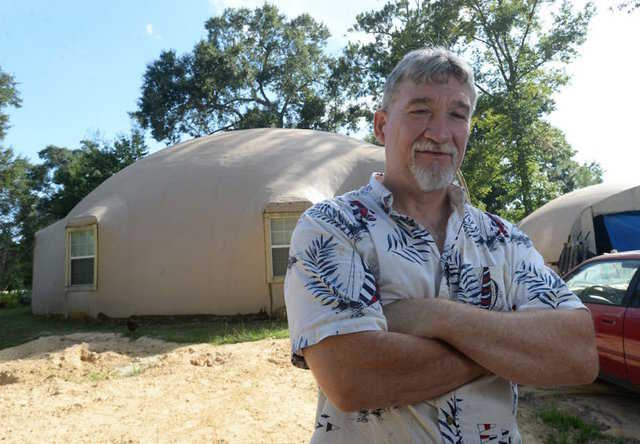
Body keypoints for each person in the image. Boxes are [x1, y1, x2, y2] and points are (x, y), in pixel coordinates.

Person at [284, 47, 598, 444]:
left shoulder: (503, 239)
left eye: (457, 114)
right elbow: (352, 378)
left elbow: (579, 354)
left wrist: (435, 317)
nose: (440, 132)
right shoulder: (332, 228)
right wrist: (505, 349)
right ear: (381, 126)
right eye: (420, 110)